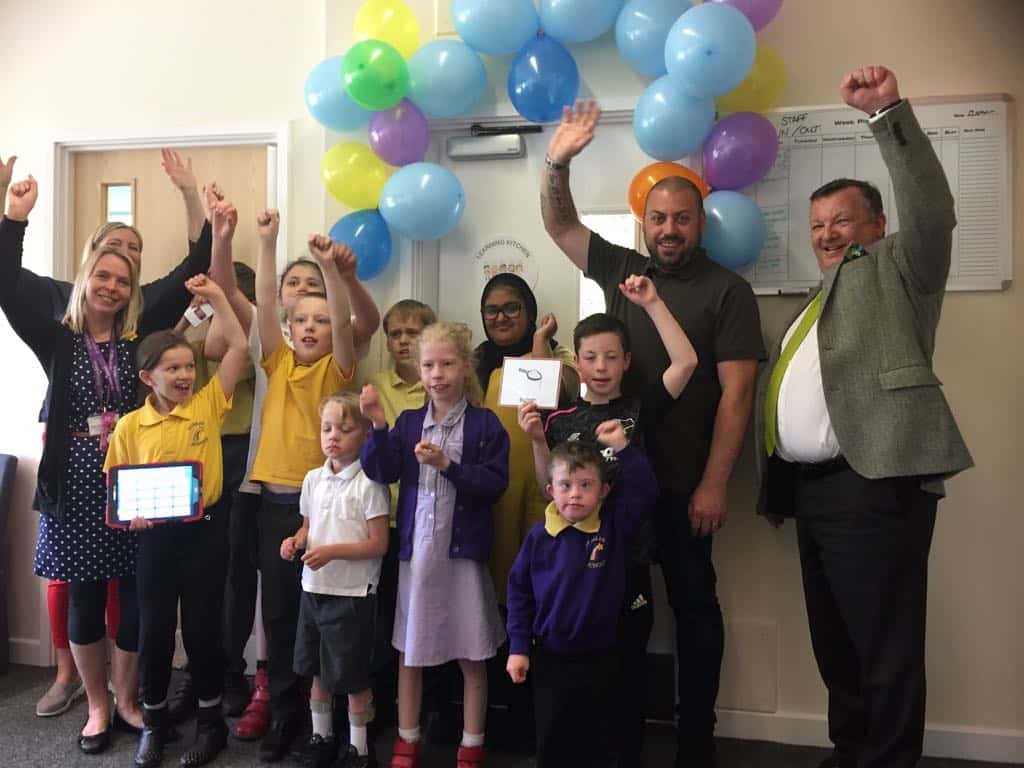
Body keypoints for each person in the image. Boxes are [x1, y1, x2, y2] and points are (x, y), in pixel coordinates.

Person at [755, 66, 973, 768]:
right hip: (817, 495)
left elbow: (933, 210)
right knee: (838, 643)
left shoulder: (900, 270)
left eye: (841, 220)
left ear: (875, 225)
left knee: (884, 646)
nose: (827, 234)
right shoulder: (814, 304)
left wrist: (887, 116)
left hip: (875, 484)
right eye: (817, 225)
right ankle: (854, 753)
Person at [541, 100, 766, 766]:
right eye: (659, 218)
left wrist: (714, 484)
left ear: (701, 222)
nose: (669, 229)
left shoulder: (727, 291)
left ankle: (697, 740)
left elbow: (738, 394)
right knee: (620, 617)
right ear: (645, 221)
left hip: (687, 485)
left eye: (682, 218)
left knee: (697, 613)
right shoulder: (618, 268)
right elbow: (558, 223)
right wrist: (558, 161)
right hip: (614, 491)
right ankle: (623, 739)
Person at [1, 174, 215, 753]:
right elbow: (5, 281)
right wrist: (12, 216)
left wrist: (194, 200)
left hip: (132, 481)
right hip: (73, 483)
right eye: (103, 275)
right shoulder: (55, 335)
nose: (112, 287)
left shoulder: (142, 333)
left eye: (123, 280)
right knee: (87, 598)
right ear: (85, 277)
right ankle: (95, 706)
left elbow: (198, 260)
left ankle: (126, 699)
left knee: (139, 597)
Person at [518, 274, 697, 767]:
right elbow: (545, 489)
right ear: (576, 361)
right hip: (570, 576)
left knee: (627, 678)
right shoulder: (559, 420)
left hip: (629, 563)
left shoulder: (641, 408)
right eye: (591, 357)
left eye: (611, 356)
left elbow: (686, 363)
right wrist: (536, 441)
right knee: (574, 685)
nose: (600, 367)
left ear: (627, 362)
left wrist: (654, 302)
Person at [103, 266, 249, 767]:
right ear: (148, 377)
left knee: (205, 630)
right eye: (173, 369)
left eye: (189, 367)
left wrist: (220, 297)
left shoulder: (208, 406)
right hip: (154, 541)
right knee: (155, 631)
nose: (185, 376)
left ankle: (211, 727)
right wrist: (131, 518)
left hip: (203, 534)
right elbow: (118, 492)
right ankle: (156, 723)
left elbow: (238, 350)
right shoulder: (129, 426)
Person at [359, 322, 510, 768]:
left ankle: (472, 742)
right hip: (418, 557)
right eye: (428, 365)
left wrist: (448, 464)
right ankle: (407, 739)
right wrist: (377, 425)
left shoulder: (484, 425)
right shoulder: (407, 423)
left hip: (461, 557)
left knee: (471, 650)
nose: (437, 373)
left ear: (466, 366)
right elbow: (382, 470)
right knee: (411, 649)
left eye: (446, 363)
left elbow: (494, 484)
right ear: (417, 370)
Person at [248, 223, 364, 762]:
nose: (313, 327)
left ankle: (336, 721)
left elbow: (344, 319)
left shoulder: (339, 370)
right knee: (278, 613)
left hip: (325, 511)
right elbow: (266, 308)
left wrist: (331, 274)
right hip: (275, 505)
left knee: (326, 616)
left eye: (320, 320)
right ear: (290, 329)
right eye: (303, 320)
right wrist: (267, 243)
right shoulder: (277, 359)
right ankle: (286, 716)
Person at [506, 426, 658, 767]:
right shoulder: (538, 538)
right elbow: (518, 594)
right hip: (549, 659)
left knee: (600, 744)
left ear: (603, 491)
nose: (575, 495)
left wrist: (623, 448)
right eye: (565, 486)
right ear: (551, 490)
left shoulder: (613, 527)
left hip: (601, 658)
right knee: (552, 740)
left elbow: (646, 492)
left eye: (585, 485)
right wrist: (517, 647)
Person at [280, 392, 390, 768]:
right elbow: (309, 526)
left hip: (352, 593)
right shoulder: (313, 479)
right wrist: (295, 541)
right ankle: (321, 736)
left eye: (344, 429)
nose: (333, 436)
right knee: (317, 670)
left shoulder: (370, 483)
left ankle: (359, 747)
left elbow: (378, 544)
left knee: (353, 675)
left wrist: (332, 552)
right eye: (327, 428)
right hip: (313, 590)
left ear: (362, 434)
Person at [366, 299, 438, 727]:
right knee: (383, 617)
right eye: (396, 333)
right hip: (383, 520)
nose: (404, 340)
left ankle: (428, 705)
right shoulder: (376, 383)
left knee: (423, 614)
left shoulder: (439, 381)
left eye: (414, 332)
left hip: (426, 519)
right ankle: (383, 703)